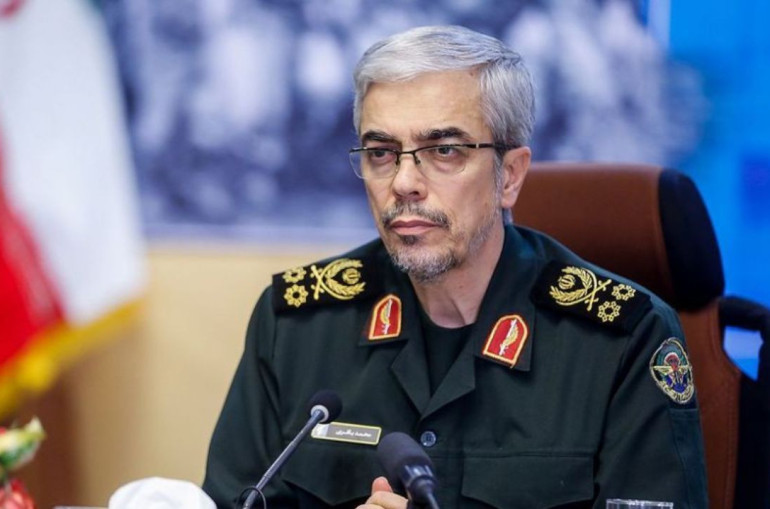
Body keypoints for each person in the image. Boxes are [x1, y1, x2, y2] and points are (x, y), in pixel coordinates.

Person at [202, 25, 708, 509]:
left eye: (443, 150)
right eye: (381, 153)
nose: (404, 182)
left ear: (510, 176)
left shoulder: (623, 338)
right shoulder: (295, 324)